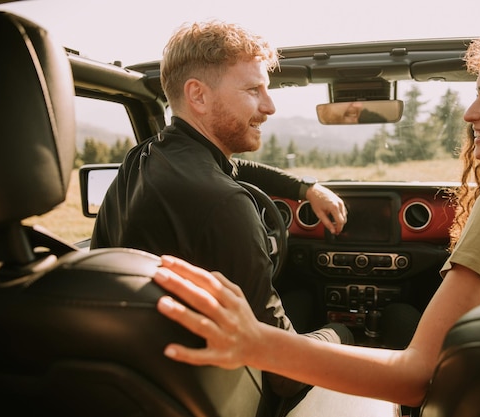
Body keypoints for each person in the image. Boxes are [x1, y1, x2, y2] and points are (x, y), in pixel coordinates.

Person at [149, 20, 480, 409]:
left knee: (392, 324)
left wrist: (255, 341)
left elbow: (417, 377)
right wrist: (306, 188)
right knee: (403, 315)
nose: (469, 113)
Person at [90, 20, 353, 399]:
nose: (270, 105)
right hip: (218, 392)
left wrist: (304, 189)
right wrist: (342, 335)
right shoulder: (225, 203)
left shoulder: (144, 158)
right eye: (253, 90)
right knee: (342, 330)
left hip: (143, 377)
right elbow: (283, 372)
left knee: (301, 301)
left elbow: (231, 166)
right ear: (198, 95)